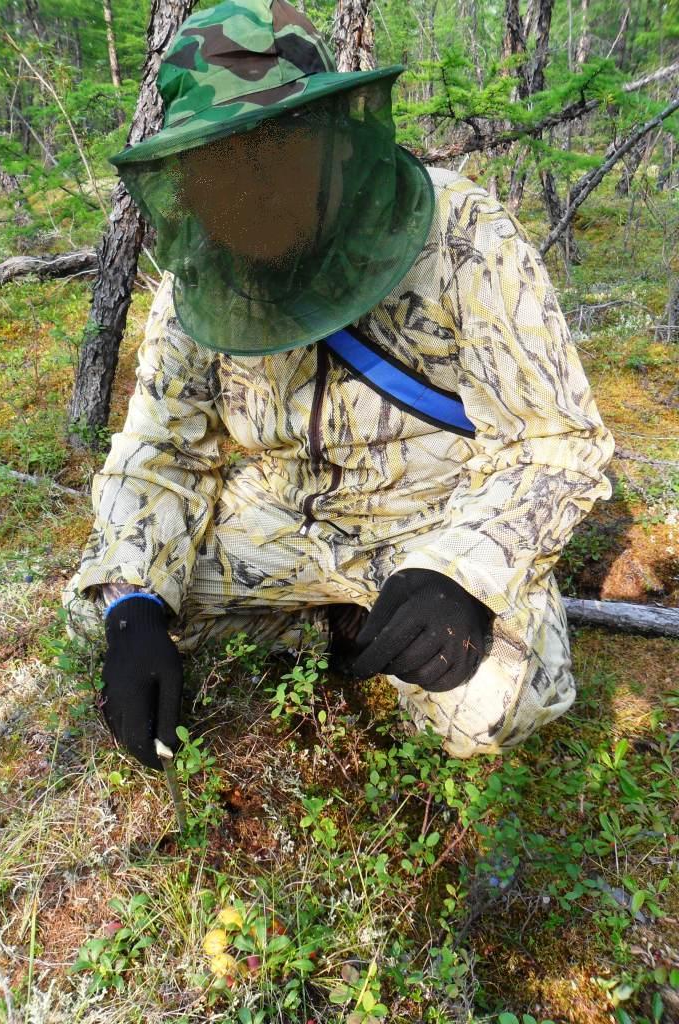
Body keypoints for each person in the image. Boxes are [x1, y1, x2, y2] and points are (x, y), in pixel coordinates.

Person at [63, 0, 614, 770]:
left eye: (277, 149)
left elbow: (556, 442)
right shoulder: (201, 280)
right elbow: (164, 452)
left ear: (333, 135)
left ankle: (411, 614)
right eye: (226, 162)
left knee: (490, 705)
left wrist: (462, 573)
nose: (254, 181)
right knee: (103, 610)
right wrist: (133, 608)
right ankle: (334, 622)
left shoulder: (461, 235)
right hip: (282, 521)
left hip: (432, 521)